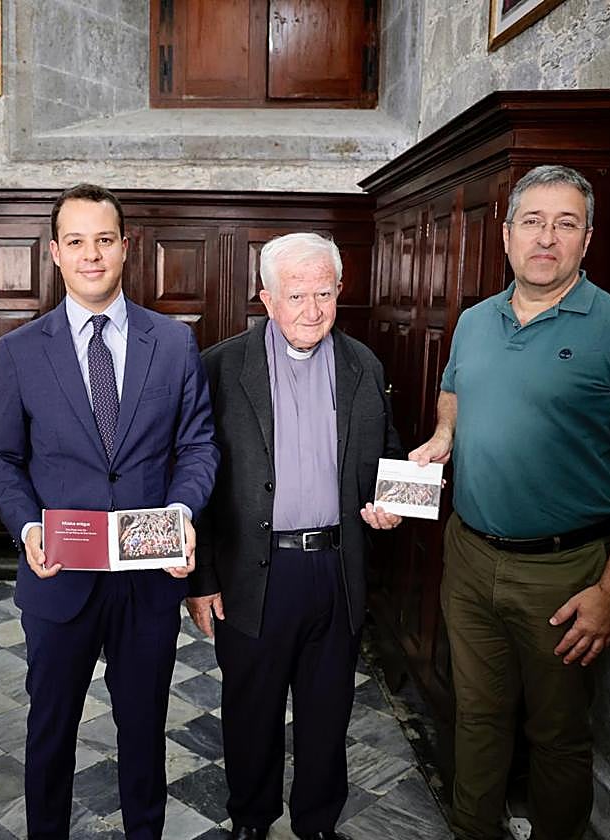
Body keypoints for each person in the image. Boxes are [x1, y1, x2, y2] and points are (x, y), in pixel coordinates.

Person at [410, 165, 610, 840]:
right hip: (469, 556)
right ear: (507, 235)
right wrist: (445, 433)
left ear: (587, 240)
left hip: (565, 572)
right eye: (532, 221)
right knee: (476, 716)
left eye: (565, 224)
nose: (546, 239)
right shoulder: (474, 320)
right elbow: (457, 391)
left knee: (557, 735)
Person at [0, 183, 219, 840]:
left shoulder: (171, 342)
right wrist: (29, 527)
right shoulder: (23, 350)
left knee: (143, 732)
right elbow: (1, 459)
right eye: (77, 241)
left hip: (146, 582)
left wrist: (181, 514)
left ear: (126, 246)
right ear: (55, 252)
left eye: (104, 240)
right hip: (58, 579)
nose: (92, 255)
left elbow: (196, 444)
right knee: (49, 731)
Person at [187, 233, 404, 840]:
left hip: (337, 569)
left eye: (325, 294)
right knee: (250, 710)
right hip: (254, 572)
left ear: (340, 292)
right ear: (266, 298)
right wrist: (201, 580)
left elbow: (385, 456)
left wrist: (389, 504)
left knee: (327, 712)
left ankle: (317, 824)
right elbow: (195, 477)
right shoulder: (220, 366)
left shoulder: (364, 365)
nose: (313, 310)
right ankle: (251, 821)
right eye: (297, 295)